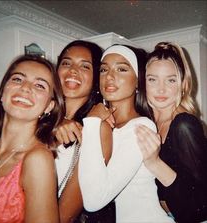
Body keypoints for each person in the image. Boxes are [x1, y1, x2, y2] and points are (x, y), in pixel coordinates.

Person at [78, 44, 174, 222]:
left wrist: (92, 122)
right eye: (104, 69)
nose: (110, 76)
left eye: (122, 69)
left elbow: (94, 200)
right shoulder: (105, 124)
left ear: (138, 81)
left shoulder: (141, 127)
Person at [0, 54, 64, 223]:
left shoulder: (37, 160)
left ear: (49, 106)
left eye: (40, 85)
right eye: (18, 79)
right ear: (2, 93)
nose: (26, 88)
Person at [135, 42, 207, 223]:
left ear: (183, 84)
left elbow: (199, 209)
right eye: (152, 79)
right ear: (143, 83)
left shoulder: (184, 125)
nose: (161, 89)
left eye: (171, 80)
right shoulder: (149, 122)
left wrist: (155, 163)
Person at [54, 40, 116, 223]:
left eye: (85, 66)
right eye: (66, 63)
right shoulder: (37, 117)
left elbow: (65, 215)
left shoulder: (98, 128)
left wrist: (91, 123)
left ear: (96, 79)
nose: (73, 70)